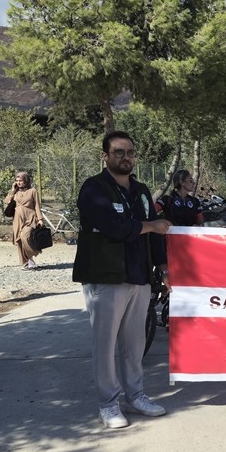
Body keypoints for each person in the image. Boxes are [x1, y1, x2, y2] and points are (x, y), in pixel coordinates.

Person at [73, 131, 171, 428]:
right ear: (105, 156)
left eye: (129, 152)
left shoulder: (141, 190)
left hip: (138, 276)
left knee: (135, 341)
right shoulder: (94, 188)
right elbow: (114, 226)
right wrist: (151, 224)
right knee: (105, 344)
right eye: (118, 152)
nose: (125, 157)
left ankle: (136, 394)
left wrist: (163, 266)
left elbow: (154, 235)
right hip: (106, 277)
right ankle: (109, 403)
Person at [4, 170, 44, 269]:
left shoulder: (33, 191)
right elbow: (6, 201)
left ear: (26, 180)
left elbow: (37, 206)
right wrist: (13, 190)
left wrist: (40, 219)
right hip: (18, 219)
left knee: (25, 237)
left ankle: (31, 258)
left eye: (20, 180)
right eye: (17, 180)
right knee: (19, 240)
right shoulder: (16, 192)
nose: (18, 182)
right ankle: (25, 262)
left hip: (30, 218)